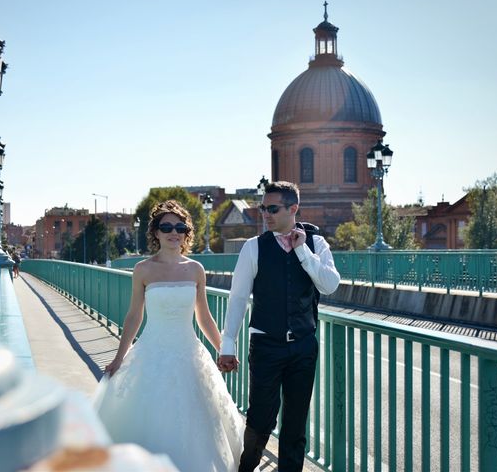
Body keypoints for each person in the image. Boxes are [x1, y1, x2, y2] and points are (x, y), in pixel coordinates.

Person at [93, 200, 243, 472]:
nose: (174, 232)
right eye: (167, 227)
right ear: (156, 232)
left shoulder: (196, 269)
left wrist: (224, 349)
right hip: (151, 354)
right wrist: (118, 358)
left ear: (187, 232)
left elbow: (204, 317)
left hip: (190, 355)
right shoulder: (143, 269)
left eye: (180, 227)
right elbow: (134, 317)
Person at [217, 181, 340, 472]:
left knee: (295, 425)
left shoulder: (317, 244)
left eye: (272, 209)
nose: (265, 215)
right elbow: (237, 298)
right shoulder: (253, 248)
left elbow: (331, 285)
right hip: (266, 345)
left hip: (303, 346)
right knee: (261, 419)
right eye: (263, 208)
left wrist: (302, 252)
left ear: (293, 209)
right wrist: (227, 344)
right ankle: (246, 467)